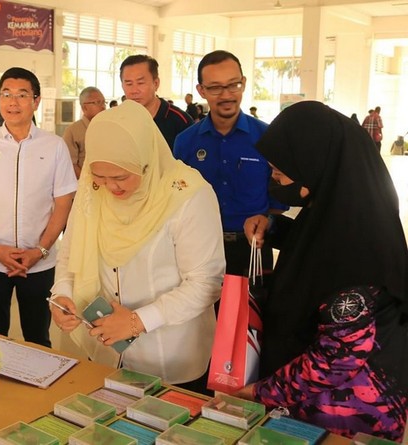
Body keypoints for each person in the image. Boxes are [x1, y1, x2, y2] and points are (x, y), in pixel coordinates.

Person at [238, 101, 408, 440]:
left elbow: (335, 358)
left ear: (314, 162)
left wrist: (258, 393)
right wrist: (272, 226)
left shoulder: (361, 247)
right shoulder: (342, 205)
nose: (274, 178)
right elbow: (317, 246)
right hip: (305, 402)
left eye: (280, 170)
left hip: (344, 421)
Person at [50, 100, 225, 392]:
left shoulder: (189, 196)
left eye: (121, 177)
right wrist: (62, 294)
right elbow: (70, 252)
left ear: (147, 159)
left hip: (170, 357)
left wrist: (138, 321)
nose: (111, 187)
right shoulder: (93, 190)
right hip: (105, 353)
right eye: (101, 177)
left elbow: (206, 283)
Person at [0, 67, 77, 347]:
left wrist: (41, 250)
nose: (13, 102)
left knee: (38, 337)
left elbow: (63, 204)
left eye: (22, 95)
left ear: (36, 101)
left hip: (39, 262)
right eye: (6, 94)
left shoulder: (54, 146)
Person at [173, 50, 286, 276]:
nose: (226, 95)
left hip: (252, 250)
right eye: (215, 87)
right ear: (201, 90)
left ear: (243, 83)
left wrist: (265, 222)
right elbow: (176, 197)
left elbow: (279, 201)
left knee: (252, 301)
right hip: (198, 248)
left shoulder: (267, 138)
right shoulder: (185, 142)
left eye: (233, 85)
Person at [120, 55, 193, 150]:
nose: (134, 90)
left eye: (140, 83)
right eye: (129, 84)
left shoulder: (180, 122)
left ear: (156, 83)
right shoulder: (118, 119)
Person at [63, 86, 106, 178]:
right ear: (84, 107)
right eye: (98, 102)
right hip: (85, 182)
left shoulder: (108, 128)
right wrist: (89, 181)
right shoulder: (73, 131)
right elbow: (71, 164)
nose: (103, 107)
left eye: (104, 102)